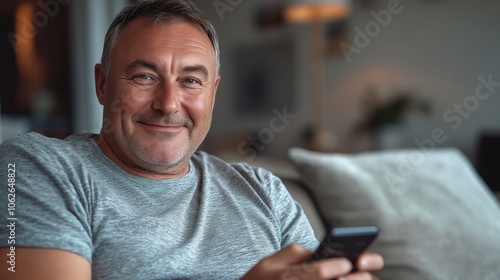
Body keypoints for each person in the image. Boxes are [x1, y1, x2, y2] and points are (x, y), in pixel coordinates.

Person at [0, 0, 383, 279]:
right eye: (144, 77)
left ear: (212, 94)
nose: (168, 104)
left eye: (190, 81)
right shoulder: (34, 168)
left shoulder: (264, 190)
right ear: (102, 84)